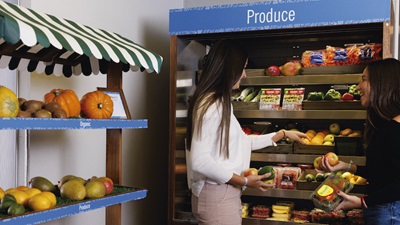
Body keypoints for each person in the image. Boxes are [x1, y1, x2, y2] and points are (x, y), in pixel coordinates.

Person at [185, 39, 309, 225]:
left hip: (220, 194)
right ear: (229, 68)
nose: (243, 75)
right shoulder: (212, 105)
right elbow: (200, 161)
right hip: (218, 195)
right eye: (242, 68)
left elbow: (241, 141)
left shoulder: (218, 102)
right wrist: (243, 181)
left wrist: (282, 134)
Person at [319, 58, 400, 225]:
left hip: (390, 212)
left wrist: (361, 202)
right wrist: (346, 167)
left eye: (364, 80)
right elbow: (383, 173)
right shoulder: (385, 125)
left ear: (382, 83)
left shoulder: (396, 128)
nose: (358, 87)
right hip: (383, 209)